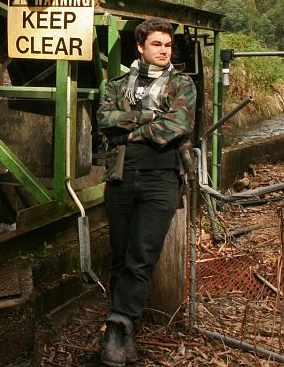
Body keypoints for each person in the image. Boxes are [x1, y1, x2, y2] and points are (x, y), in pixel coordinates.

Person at [96, 18, 197, 367]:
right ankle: (126, 333)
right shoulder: (117, 85)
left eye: (168, 46)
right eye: (157, 44)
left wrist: (132, 129)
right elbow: (105, 121)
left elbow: (177, 126)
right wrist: (151, 119)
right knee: (120, 256)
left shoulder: (182, 84)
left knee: (142, 255)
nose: (164, 51)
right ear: (140, 47)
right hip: (121, 178)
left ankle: (115, 326)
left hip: (162, 180)